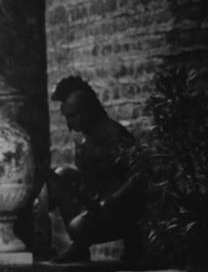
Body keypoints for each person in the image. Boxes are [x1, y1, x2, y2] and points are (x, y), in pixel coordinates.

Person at [48, 76, 147, 262]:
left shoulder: (113, 133)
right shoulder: (87, 136)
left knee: (77, 228)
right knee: (61, 175)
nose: (69, 125)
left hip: (119, 207)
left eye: (73, 116)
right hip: (97, 202)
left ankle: (131, 241)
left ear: (87, 111)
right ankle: (80, 249)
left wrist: (111, 201)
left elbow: (139, 175)